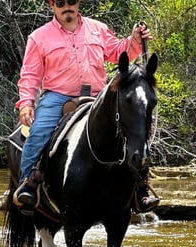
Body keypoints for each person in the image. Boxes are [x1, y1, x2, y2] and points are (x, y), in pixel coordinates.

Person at [14, 0, 160, 215]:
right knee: (38, 133)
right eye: (61, 3)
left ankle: (139, 187)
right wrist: (26, 103)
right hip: (57, 97)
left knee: (132, 128)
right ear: (52, 5)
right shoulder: (39, 37)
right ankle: (28, 184)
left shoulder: (97, 29)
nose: (67, 7)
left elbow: (118, 52)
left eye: (71, 1)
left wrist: (135, 41)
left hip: (97, 95)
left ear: (78, 3)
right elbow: (30, 75)